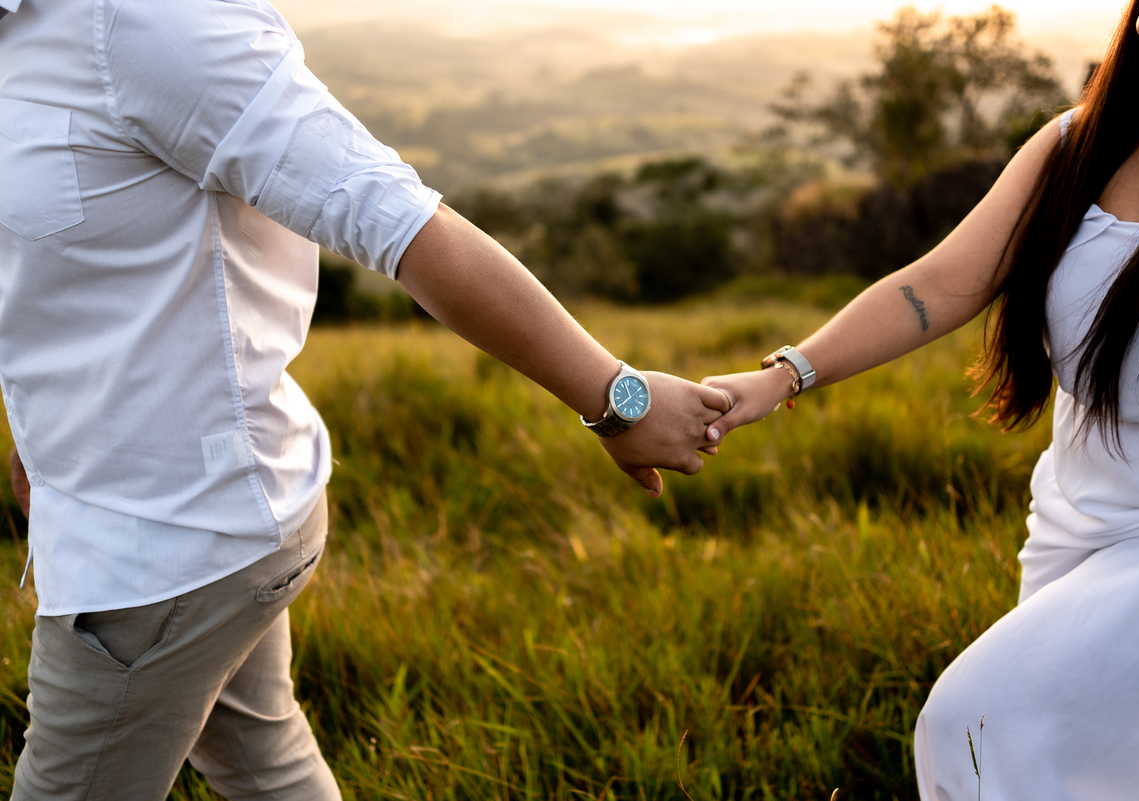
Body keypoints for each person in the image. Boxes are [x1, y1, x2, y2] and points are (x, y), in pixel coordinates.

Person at [0, 0, 731, 797]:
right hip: (153, 509)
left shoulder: (145, 22)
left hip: (173, 542)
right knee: (263, 762)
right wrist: (40, 438)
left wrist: (615, 398)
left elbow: (405, 223)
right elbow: (65, 279)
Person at [703, 0, 1139, 795]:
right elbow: (937, 284)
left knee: (974, 722)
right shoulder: (1081, 143)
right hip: (1077, 529)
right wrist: (779, 376)